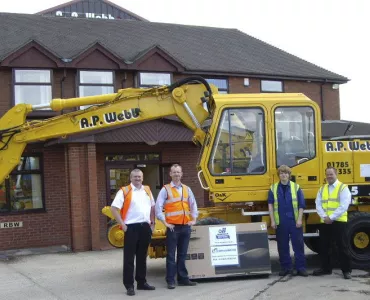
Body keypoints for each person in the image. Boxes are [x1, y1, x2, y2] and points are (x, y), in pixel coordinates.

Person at [110, 169, 156, 296]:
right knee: (129, 258)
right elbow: (114, 208)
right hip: (131, 228)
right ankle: (129, 286)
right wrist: (122, 225)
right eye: (135, 176)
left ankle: (141, 282)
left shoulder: (147, 190)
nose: (138, 179)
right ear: (130, 178)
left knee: (142, 257)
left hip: (145, 227)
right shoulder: (124, 191)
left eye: (140, 177)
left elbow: (153, 207)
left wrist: (152, 223)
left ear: (143, 178)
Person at [155, 164, 198, 289]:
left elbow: (193, 204)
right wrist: (165, 222)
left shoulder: (186, 189)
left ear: (181, 174)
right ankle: (170, 280)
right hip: (173, 227)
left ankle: (182, 279)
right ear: (170, 174)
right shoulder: (165, 189)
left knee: (182, 254)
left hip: (185, 226)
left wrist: (194, 219)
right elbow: (158, 207)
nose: (176, 174)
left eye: (178, 172)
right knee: (171, 255)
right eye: (174, 172)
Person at [312, 167, 352, 279]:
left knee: (342, 246)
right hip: (325, 221)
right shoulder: (322, 188)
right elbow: (318, 204)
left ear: (336, 174)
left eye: (331, 174)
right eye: (327, 174)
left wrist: (331, 217)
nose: (329, 176)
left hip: (339, 221)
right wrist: (324, 216)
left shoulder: (343, 188)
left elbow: (344, 205)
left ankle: (346, 270)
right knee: (324, 246)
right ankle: (325, 269)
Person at [268, 165, 308, 277]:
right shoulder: (273, 188)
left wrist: (299, 219)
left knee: (298, 245)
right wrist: (273, 221)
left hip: (294, 221)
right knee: (282, 246)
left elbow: (301, 205)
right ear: (279, 175)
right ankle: (286, 268)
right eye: (281, 173)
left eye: (285, 173)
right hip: (281, 221)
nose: (283, 175)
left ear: (289, 175)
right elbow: (270, 205)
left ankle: (301, 268)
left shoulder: (296, 187)